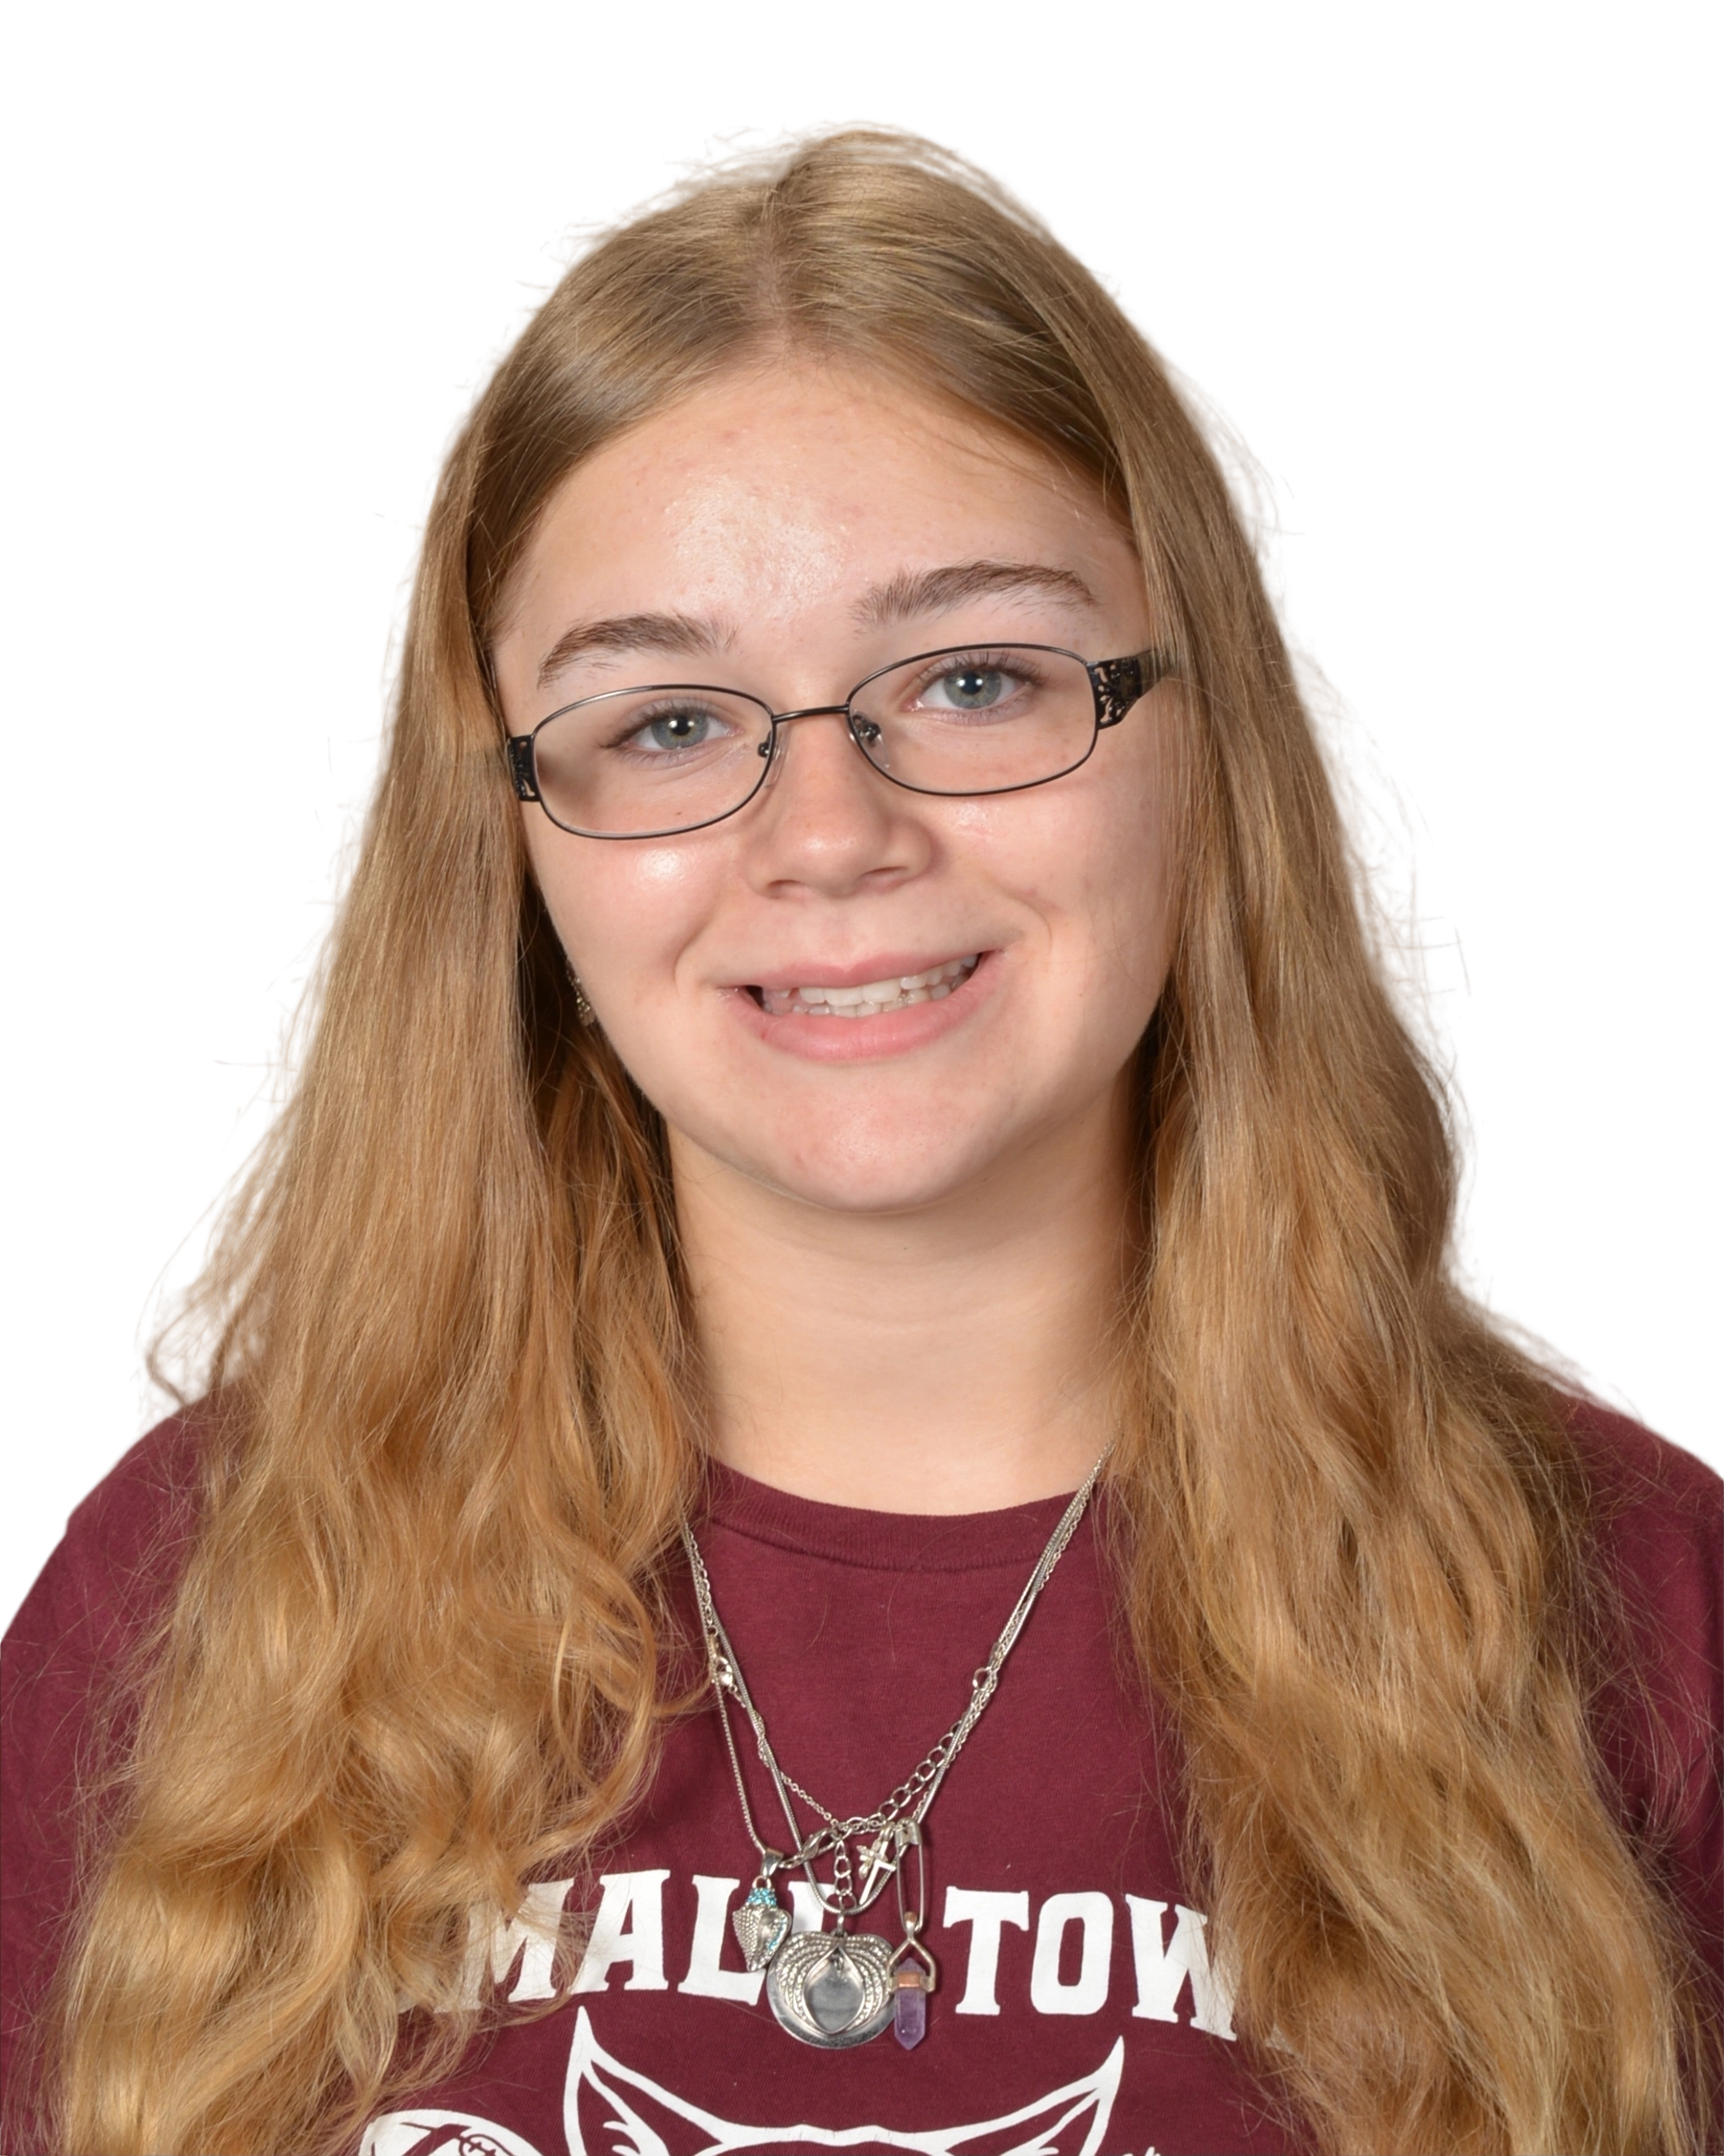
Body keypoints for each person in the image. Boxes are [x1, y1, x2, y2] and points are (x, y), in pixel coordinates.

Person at [2, 115, 1718, 2156]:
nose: (828, 836)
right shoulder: (189, 1602)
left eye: (975, 680)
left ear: (1207, 747)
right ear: (510, 844)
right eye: (665, 722)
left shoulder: (1632, 1605)